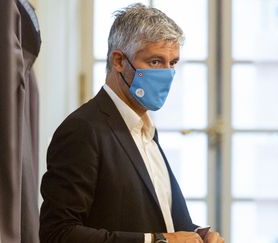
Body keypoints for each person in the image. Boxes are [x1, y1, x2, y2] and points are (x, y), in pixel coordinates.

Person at [39, 3, 224, 243]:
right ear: (118, 61)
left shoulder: (145, 130)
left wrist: (198, 235)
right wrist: (158, 241)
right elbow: (58, 233)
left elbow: (154, 221)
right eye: (156, 62)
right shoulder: (83, 130)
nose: (167, 74)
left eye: (173, 63)